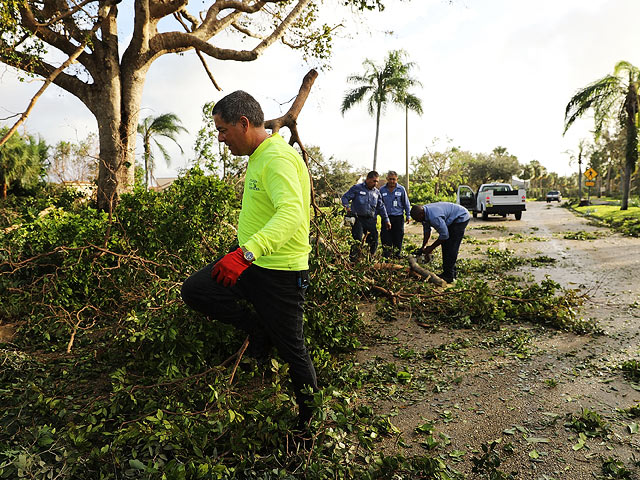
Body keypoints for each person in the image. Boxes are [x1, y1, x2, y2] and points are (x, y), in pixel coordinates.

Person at [181, 91, 317, 432]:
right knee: (196, 290)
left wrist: (244, 253)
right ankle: (257, 329)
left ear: (243, 124)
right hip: (253, 265)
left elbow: (291, 214)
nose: (220, 138)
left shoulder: (278, 159)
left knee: (293, 352)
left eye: (223, 130)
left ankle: (308, 425)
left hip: (280, 274)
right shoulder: (259, 153)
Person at [410, 202, 470, 284]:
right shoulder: (423, 215)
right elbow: (427, 232)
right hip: (451, 218)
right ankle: (449, 273)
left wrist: (431, 248)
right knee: (445, 244)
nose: (416, 221)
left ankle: (449, 276)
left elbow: (444, 235)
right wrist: (423, 247)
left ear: (421, 214)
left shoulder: (434, 217)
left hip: (460, 217)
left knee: (451, 246)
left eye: (416, 219)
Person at [341, 171, 391, 261]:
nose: (375, 183)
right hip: (358, 219)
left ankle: (370, 259)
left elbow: (381, 206)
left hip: (371, 219)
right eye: (373, 181)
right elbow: (345, 197)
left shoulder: (376, 192)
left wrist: (386, 219)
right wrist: (347, 208)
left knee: (374, 239)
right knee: (357, 241)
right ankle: (353, 261)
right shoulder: (357, 188)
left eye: (377, 181)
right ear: (367, 179)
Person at [379, 171, 411, 258]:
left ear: (397, 179)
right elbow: (378, 204)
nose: (392, 181)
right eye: (390, 179)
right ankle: (387, 256)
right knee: (386, 237)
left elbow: (406, 203)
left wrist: (408, 215)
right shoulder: (382, 190)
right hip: (386, 218)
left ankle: (397, 256)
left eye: (394, 179)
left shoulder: (401, 189)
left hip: (398, 218)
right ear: (387, 179)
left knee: (398, 237)